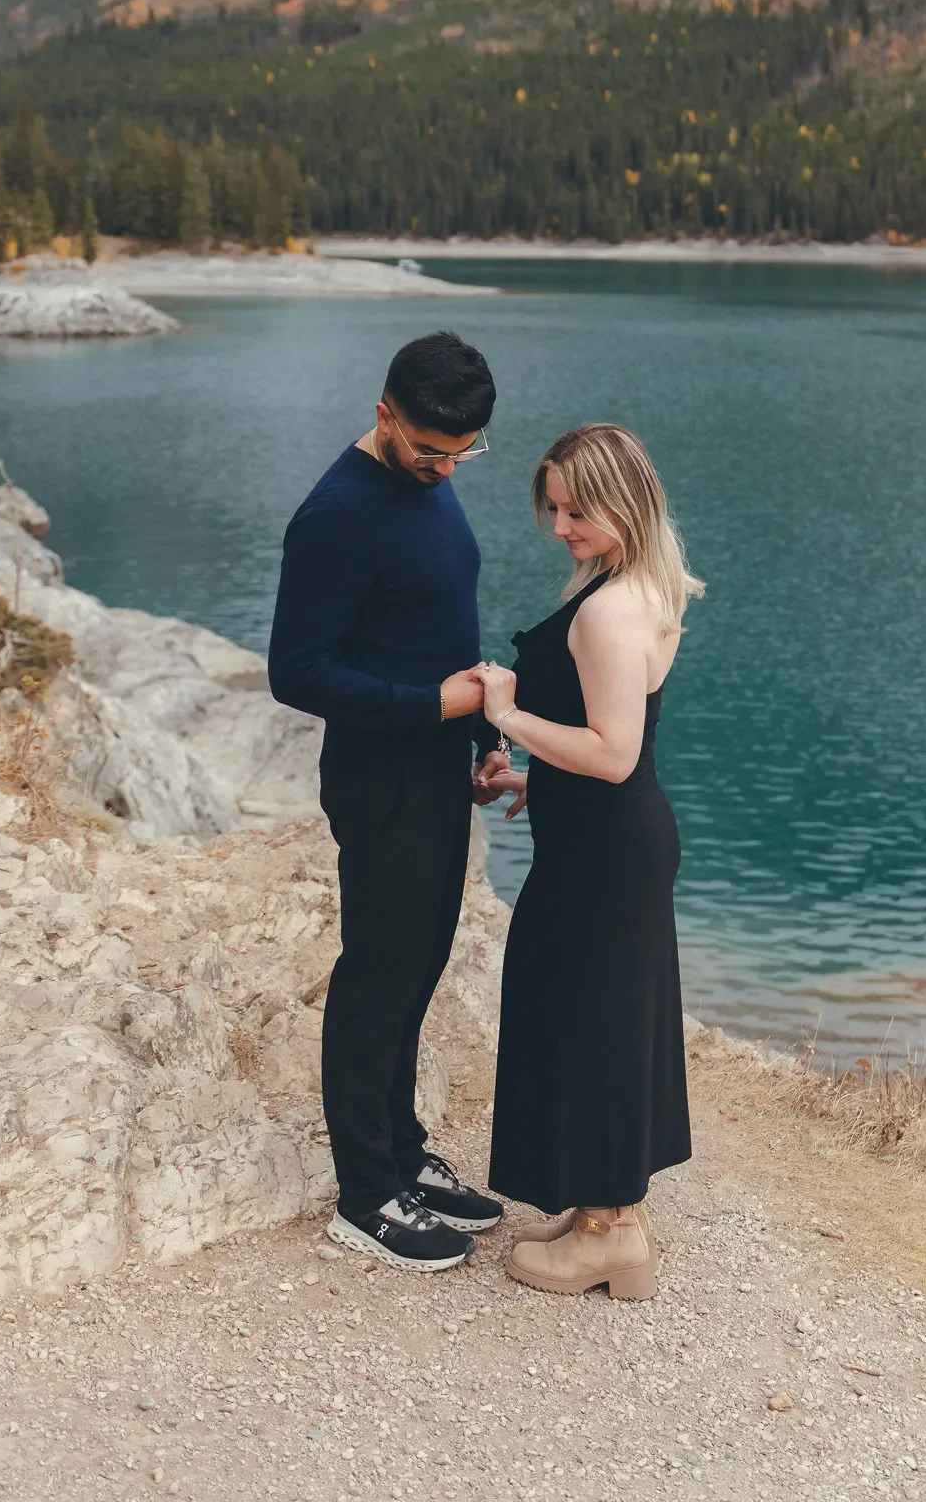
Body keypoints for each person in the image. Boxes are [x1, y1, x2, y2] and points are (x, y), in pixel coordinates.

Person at [268, 331, 504, 1272]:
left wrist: (478, 738)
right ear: (383, 416)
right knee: (376, 975)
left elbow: (440, 620)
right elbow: (296, 672)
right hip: (380, 781)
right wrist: (429, 706)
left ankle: (402, 1151)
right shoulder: (335, 516)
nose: (445, 469)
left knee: (417, 968)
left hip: (439, 768)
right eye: (428, 451)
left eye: (462, 453)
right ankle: (365, 1195)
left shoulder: (428, 490)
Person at [474, 423, 700, 1300]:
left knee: (594, 1024)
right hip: (611, 835)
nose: (559, 526)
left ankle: (610, 1235)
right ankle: (606, 1215)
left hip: (606, 851)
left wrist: (507, 713)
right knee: (599, 1017)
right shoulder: (637, 582)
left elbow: (611, 751)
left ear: (624, 500)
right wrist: (538, 781)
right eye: (556, 509)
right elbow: (616, 753)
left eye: (575, 510)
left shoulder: (607, 609)